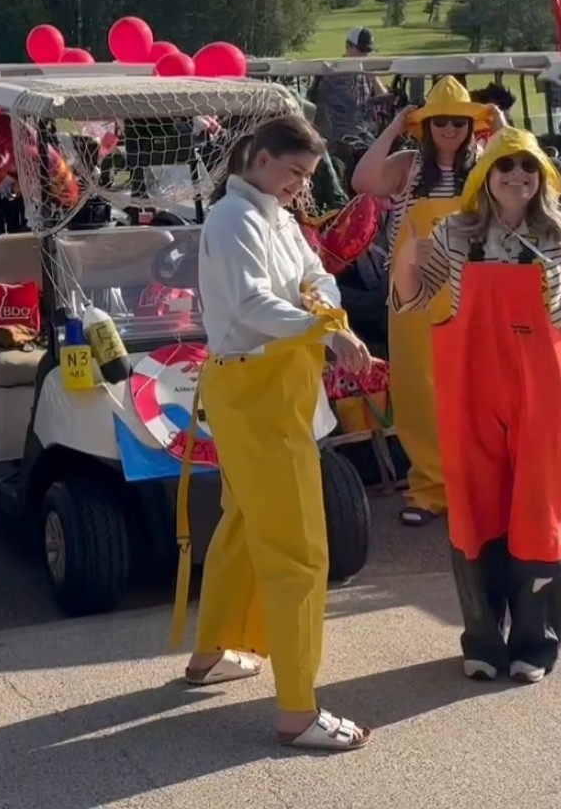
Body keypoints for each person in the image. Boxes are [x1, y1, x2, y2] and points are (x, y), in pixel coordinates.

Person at [391, 126, 561, 683]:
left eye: (527, 168)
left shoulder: (560, 232)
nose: (517, 176)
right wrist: (405, 259)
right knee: (474, 509)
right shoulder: (454, 232)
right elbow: (415, 301)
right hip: (471, 386)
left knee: (538, 510)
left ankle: (533, 646)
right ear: (486, 177)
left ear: (541, 176)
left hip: (541, 390)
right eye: (505, 167)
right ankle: (481, 642)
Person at [181, 113, 374, 751]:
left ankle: (209, 651)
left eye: (306, 176)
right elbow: (252, 306)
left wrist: (326, 314)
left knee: (241, 525)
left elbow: (315, 276)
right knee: (299, 553)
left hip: (276, 393)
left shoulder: (275, 215)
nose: (300, 185)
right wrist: (327, 328)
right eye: (294, 172)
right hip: (257, 395)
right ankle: (298, 709)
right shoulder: (234, 219)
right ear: (261, 159)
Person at [352, 76, 497, 527]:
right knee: (419, 391)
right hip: (414, 294)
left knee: (475, 392)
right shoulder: (408, 166)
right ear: (426, 125)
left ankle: (476, 490)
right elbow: (362, 179)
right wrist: (396, 127)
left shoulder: (485, 166)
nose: (450, 129)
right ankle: (429, 490)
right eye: (440, 121)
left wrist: (503, 127)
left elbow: (526, 177)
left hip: (471, 289)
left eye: (459, 121)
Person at [308, 27, 388, 185]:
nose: (366, 56)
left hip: (362, 138)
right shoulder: (332, 76)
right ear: (348, 47)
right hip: (338, 142)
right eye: (362, 51)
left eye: (368, 52)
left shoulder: (365, 75)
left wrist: (373, 76)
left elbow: (383, 98)